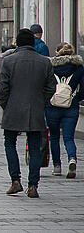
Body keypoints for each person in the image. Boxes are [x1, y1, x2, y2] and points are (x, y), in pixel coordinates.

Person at [0, 28, 56, 197]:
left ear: (18, 42)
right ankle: (33, 185)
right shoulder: (44, 62)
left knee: (10, 143)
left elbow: (2, 88)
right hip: (35, 109)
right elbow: (51, 87)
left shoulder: (8, 61)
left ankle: (15, 180)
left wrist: (6, 105)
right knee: (35, 147)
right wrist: (40, 101)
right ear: (32, 43)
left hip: (12, 109)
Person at [46, 42, 82, 179]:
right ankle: (72, 158)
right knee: (68, 137)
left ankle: (56, 166)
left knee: (54, 137)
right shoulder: (78, 68)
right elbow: (83, 88)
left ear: (57, 53)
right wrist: (76, 98)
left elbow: (46, 85)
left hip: (52, 106)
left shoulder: (50, 67)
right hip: (71, 107)